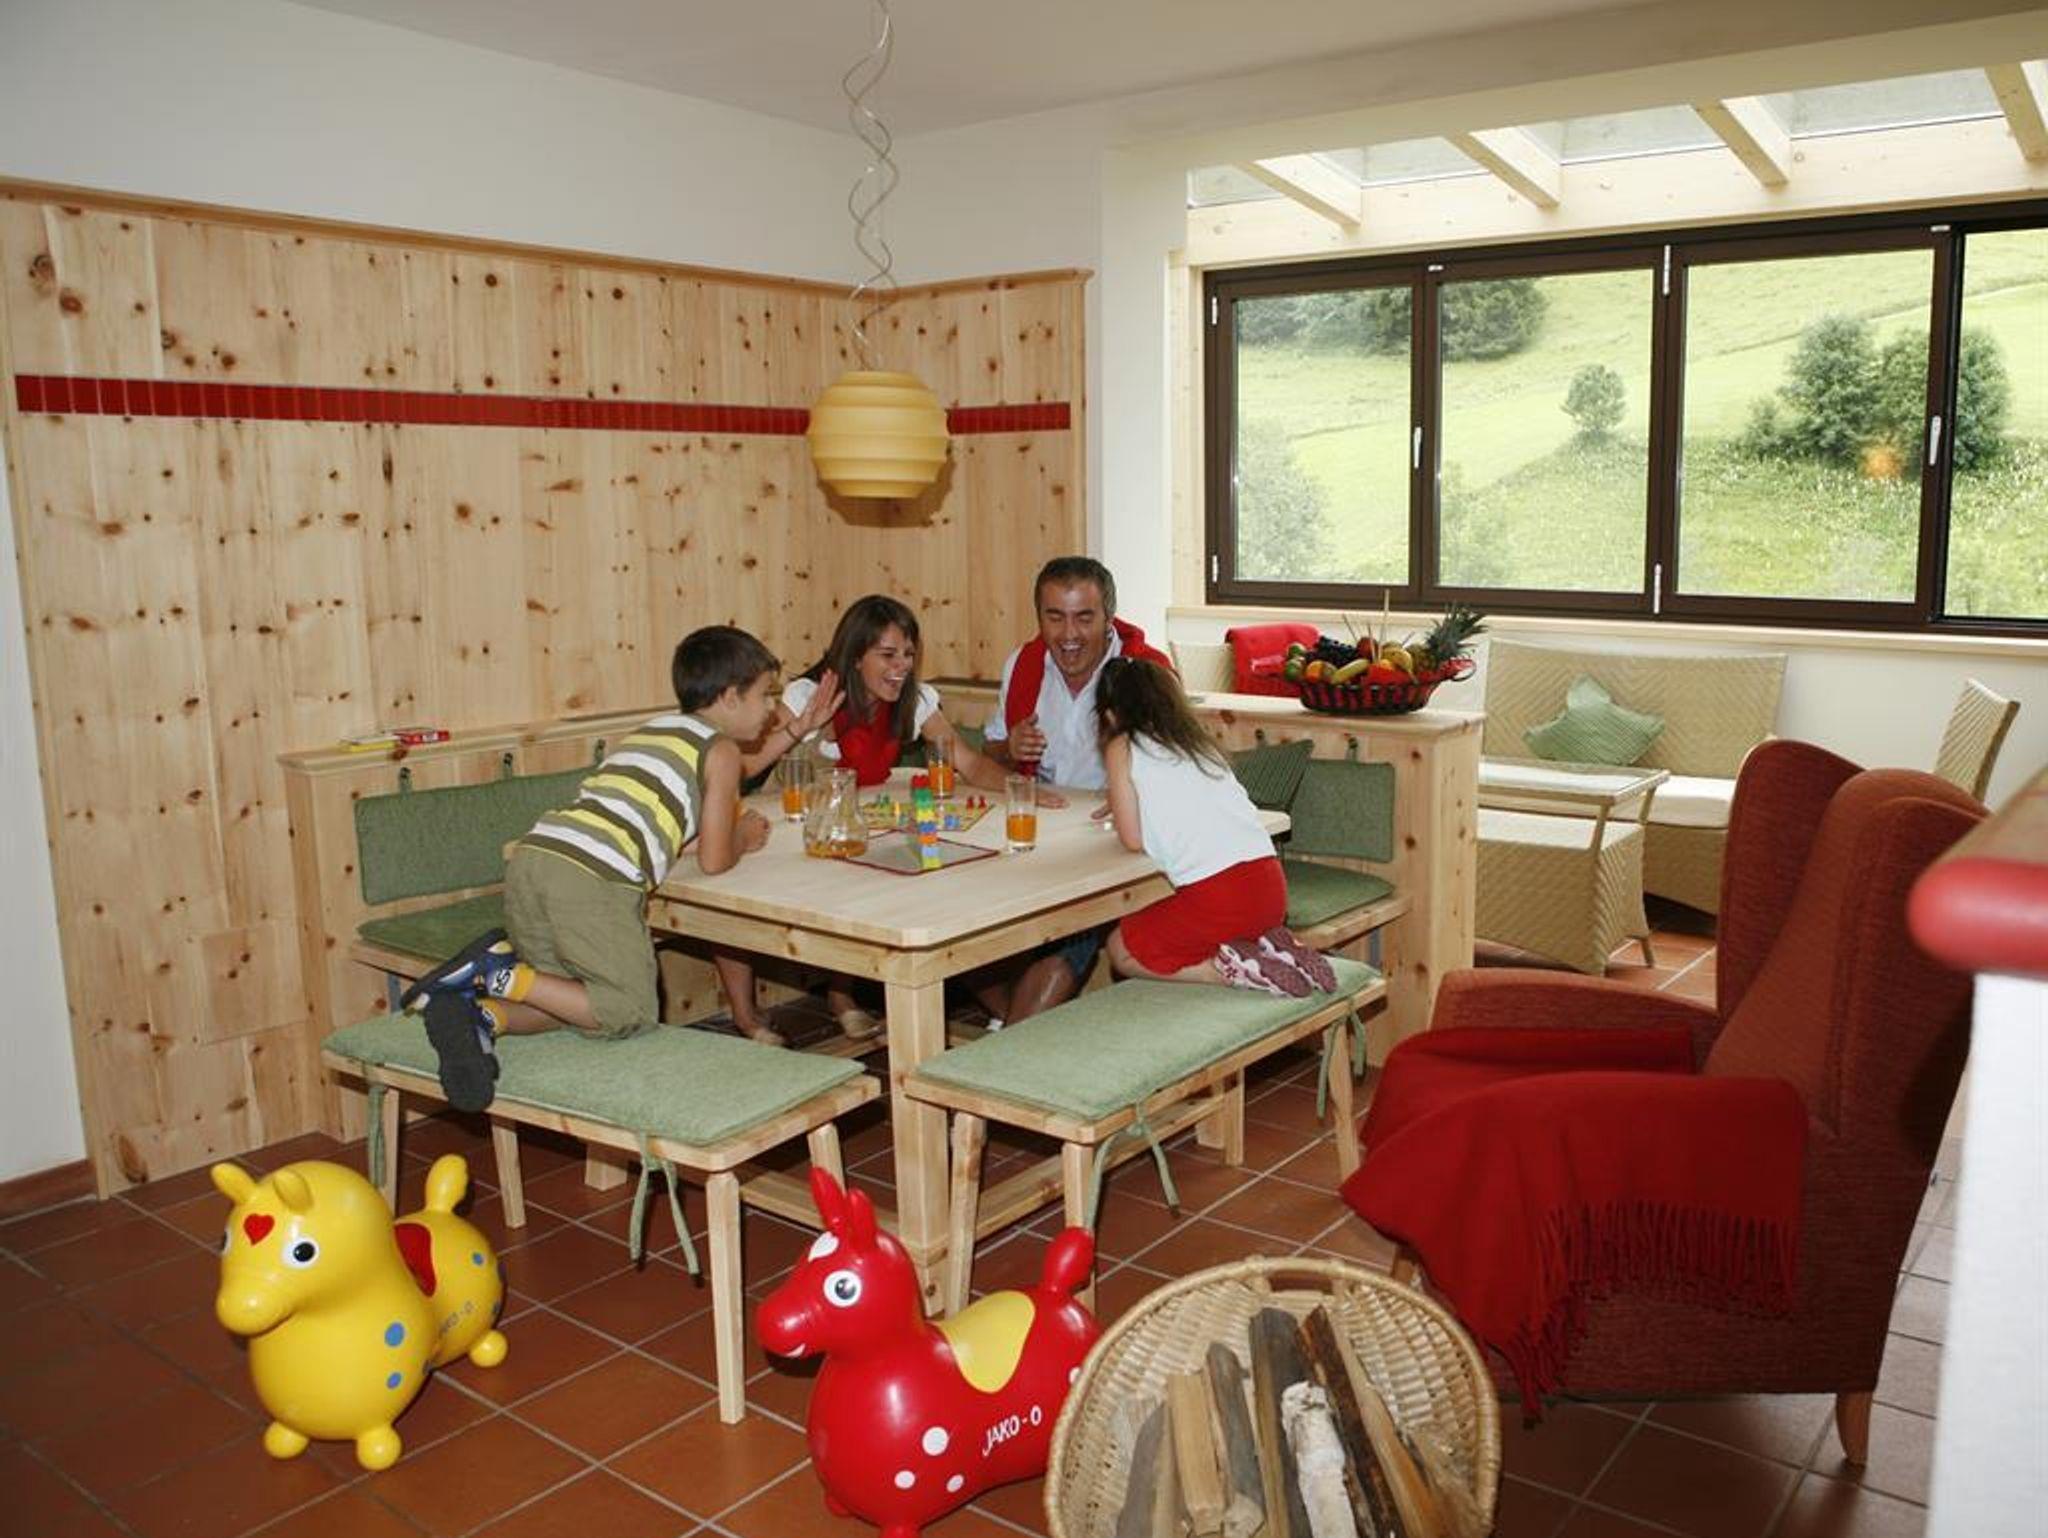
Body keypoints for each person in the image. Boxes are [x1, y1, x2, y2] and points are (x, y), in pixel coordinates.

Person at [402, 625, 834, 1110]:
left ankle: (480, 1014)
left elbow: (659, 809)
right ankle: (495, 972)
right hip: (592, 880)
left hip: (535, 858)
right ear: (730, 697)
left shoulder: (656, 730)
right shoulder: (722, 751)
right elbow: (715, 859)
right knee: (628, 1010)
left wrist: (794, 732)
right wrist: (744, 836)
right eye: (765, 695)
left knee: (572, 999)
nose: (772, 709)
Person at [717, 594, 1055, 1045]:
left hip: (859, 823)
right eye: (889, 655)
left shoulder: (914, 700)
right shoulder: (808, 696)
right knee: (736, 883)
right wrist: (803, 725)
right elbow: (745, 763)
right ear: (856, 656)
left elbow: (969, 763)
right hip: (792, 827)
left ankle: (844, 997)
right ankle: (747, 1017)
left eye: (909, 654)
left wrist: (1024, 790)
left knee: (909, 872)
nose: (902, 666)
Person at [971, 557, 1172, 1024]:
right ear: (1039, 617)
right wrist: (1009, 747)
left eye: (1084, 617)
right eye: (1055, 617)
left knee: (1070, 929)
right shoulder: (1022, 664)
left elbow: (1175, 770)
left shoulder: (1145, 672)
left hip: (1116, 840)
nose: (1069, 634)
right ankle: (1016, 1027)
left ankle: (1010, 1043)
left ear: (1109, 618)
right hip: (1038, 833)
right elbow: (991, 751)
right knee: (957, 906)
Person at [1095, 655, 1336, 996]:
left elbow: (1132, 839)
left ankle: (1225, 970)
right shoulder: (1197, 744)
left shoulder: (1122, 744)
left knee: (1120, 948)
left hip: (1219, 901)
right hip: (1271, 893)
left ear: (1110, 715)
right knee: (1189, 924)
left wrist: (1123, 803)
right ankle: (1271, 949)